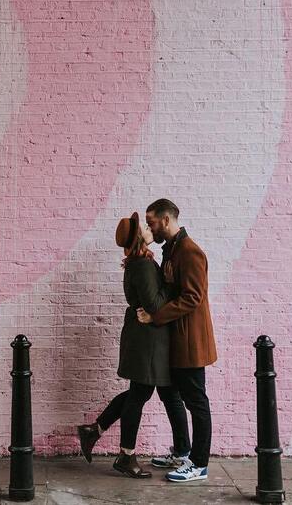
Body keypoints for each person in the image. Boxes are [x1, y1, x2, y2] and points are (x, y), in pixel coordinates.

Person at [77, 212, 190, 479]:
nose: (149, 229)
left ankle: (95, 431)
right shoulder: (141, 264)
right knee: (139, 395)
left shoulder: (139, 262)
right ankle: (125, 455)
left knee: (139, 393)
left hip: (147, 338)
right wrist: (173, 287)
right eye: (145, 228)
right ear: (141, 237)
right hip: (148, 340)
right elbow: (153, 304)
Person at [137, 198, 217, 483]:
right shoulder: (171, 250)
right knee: (169, 393)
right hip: (175, 340)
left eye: (152, 222)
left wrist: (155, 316)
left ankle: (199, 463)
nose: (150, 227)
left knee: (196, 401)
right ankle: (182, 450)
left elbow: (192, 298)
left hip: (191, 342)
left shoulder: (190, 251)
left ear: (167, 220)